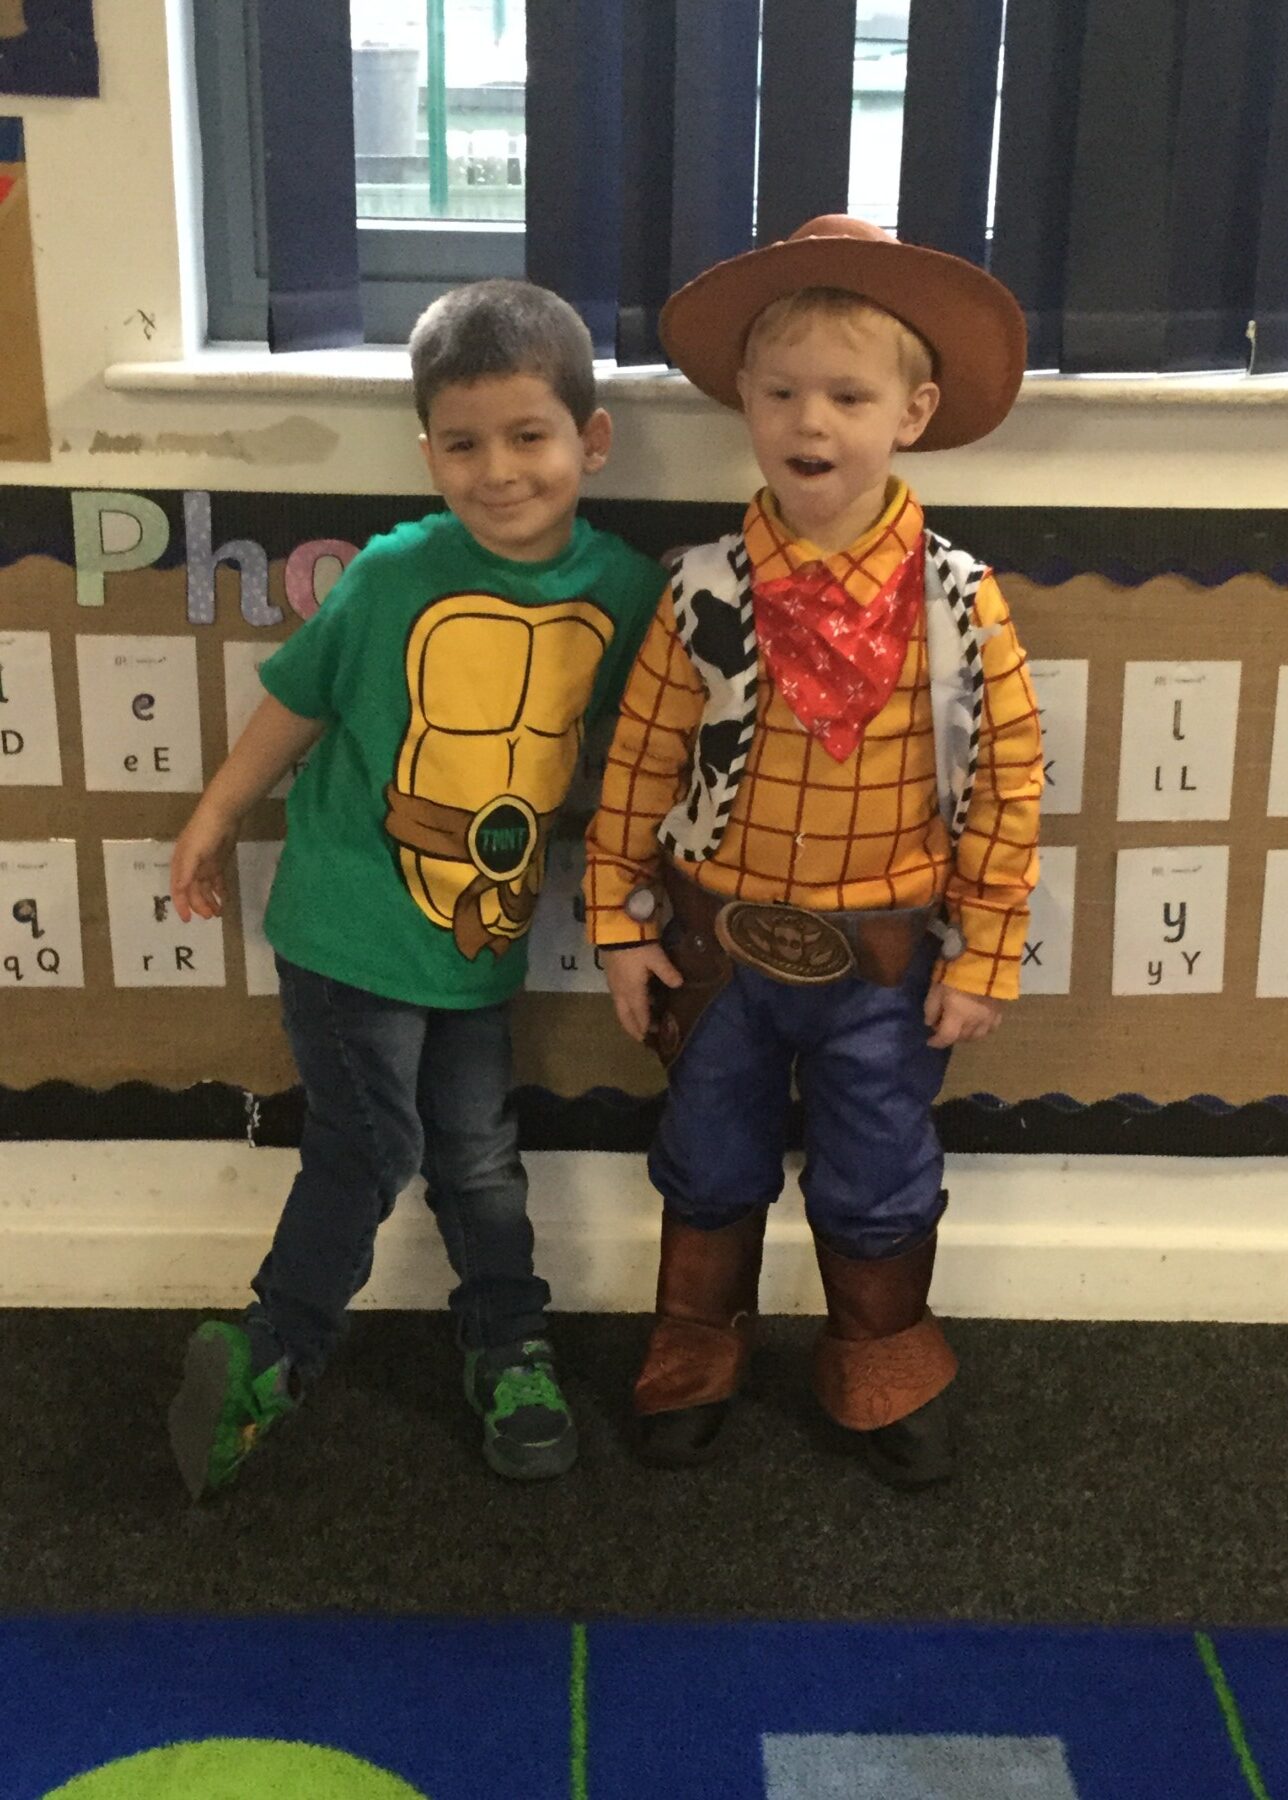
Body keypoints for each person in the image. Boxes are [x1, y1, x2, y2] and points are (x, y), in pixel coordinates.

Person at [167, 279, 666, 1499]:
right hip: (348, 929)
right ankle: (271, 1352)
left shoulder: (622, 594)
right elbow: (298, 699)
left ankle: (510, 1346)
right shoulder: (394, 575)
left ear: (592, 439)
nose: (498, 471)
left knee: (481, 1157)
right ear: (428, 452)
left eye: (528, 435)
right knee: (371, 1144)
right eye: (463, 443)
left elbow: (646, 749)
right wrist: (217, 812)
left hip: (476, 945)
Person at [584, 216, 1043, 1488]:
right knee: (707, 1152)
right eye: (782, 392)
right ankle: (696, 1343)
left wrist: (986, 954)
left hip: (886, 964)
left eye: (848, 394)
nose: (811, 420)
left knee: (880, 1165)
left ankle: (882, 1354)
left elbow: (1007, 787)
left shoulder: (962, 601)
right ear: (745, 399)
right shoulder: (699, 590)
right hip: (715, 953)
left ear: (913, 411)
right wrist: (618, 925)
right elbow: (639, 765)